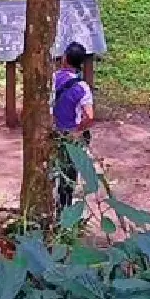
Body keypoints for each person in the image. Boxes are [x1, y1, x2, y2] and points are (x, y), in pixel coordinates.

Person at [51, 43, 95, 212]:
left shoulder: (53, 78)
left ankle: (52, 206)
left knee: (52, 168)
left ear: (64, 59)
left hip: (52, 131)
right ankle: (65, 209)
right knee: (68, 172)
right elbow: (90, 116)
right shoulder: (82, 87)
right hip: (71, 136)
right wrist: (78, 129)